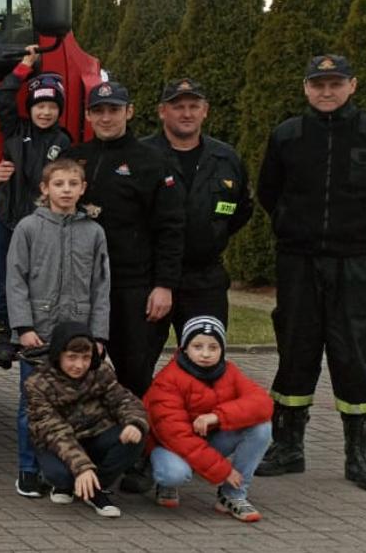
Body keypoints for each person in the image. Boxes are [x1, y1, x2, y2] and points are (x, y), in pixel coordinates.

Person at [254, 55, 366, 492]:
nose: (326, 92)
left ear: (352, 85)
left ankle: (361, 456)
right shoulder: (287, 135)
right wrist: (292, 225)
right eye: (318, 84)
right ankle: (288, 447)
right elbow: (269, 191)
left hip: (354, 264)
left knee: (353, 355)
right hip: (299, 261)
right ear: (306, 88)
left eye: (335, 83)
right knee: (295, 350)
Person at [60, 81, 185, 494]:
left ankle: (138, 458)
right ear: (88, 116)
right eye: (98, 111)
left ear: (129, 112)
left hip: (133, 285)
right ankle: (84, 456)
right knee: (79, 370)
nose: (106, 117)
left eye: (114, 110)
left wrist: (164, 285)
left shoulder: (151, 162)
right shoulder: (74, 158)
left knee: (134, 375)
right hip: (82, 286)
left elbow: (170, 229)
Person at [4, 157, 111, 501]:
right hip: (38, 333)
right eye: (59, 184)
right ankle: (28, 469)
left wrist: (98, 335)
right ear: (45, 188)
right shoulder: (28, 229)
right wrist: (23, 327)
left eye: (72, 184)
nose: (66, 190)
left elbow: (101, 286)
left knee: (72, 406)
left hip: (77, 335)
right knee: (31, 406)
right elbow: (15, 280)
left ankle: (61, 470)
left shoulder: (94, 233)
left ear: (83, 189)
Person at [0, 45, 73, 368]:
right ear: (30, 107)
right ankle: (4, 335)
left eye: (52, 106)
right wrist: (25, 66)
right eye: (39, 105)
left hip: (40, 223)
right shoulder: (14, 130)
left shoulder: (63, 142)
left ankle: (32, 334)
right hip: (7, 217)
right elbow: (3, 94)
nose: (45, 112)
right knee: (5, 278)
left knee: (34, 280)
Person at [144, 79, 252, 331]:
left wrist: (210, 233)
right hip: (151, 277)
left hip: (206, 279)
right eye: (178, 107)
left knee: (205, 352)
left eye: (194, 106)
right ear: (162, 111)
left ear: (205, 110)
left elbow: (241, 209)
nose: (187, 114)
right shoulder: (142, 155)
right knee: (139, 355)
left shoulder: (226, 158)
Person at [144, 316, 271, 522]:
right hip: (169, 445)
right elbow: (176, 436)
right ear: (184, 348)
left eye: (213, 347)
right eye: (197, 346)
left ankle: (232, 495)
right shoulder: (167, 380)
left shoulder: (230, 371)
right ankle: (165, 484)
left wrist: (217, 416)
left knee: (261, 428)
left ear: (222, 350)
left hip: (208, 439)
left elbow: (263, 403)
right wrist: (222, 470)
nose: (205, 354)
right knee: (174, 473)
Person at [25, 323, 150, 519]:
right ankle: (70, 484)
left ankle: (95, 489)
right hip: (57, 443)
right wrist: (82, 467)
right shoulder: (37, 383)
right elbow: (55, 431)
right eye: (72, 357)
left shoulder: (101, 371)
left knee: (136, 437)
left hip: (96, 434)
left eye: (86, 357)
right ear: (58, 355)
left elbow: (124, 400)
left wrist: (134, 422)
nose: (79, 365)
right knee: (61, 476)